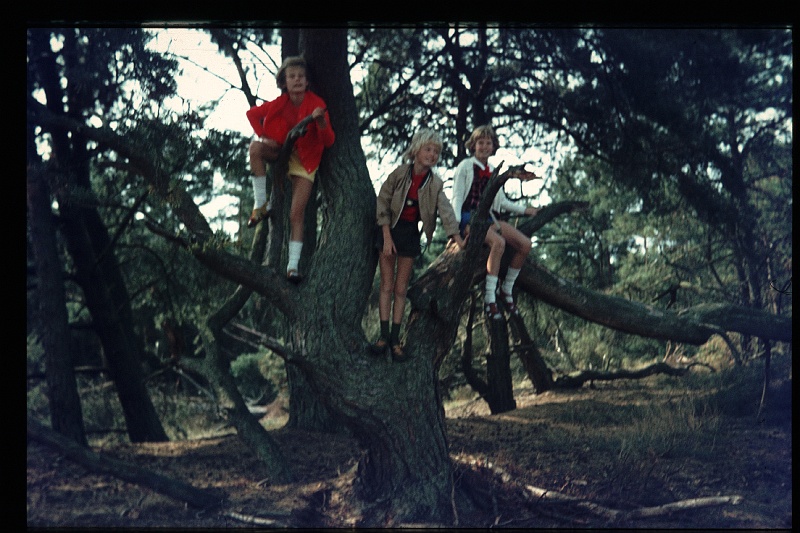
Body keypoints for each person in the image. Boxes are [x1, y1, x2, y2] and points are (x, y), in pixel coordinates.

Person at [372, 128, 466, 362]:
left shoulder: (435, 183)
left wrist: (455, 236)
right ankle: (383, 337)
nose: (432, 155)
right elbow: (382, 201)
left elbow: (445, 209)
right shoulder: (399, 173)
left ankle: (395, 339)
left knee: (401, 289)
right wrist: (385, 235)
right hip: (389, 229)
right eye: (428, 149)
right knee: (386, 285)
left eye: (436, 152)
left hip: (410, 234)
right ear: (415, 150)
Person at [245, 56, 335, 283]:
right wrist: (265, 136)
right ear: (284, 82)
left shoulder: (317, 103)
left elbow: (329, 141)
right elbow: (252, 114)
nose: (297, 80)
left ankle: (292, 267)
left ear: (307, 82)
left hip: (306, 160)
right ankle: (260, 205)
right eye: (292, 76)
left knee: (296, 212)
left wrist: (321, 123)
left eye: (301, 77)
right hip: (283, 152)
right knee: (255, 148)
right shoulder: (279, 103)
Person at [451, 124, 540, 320]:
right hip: (468, 217)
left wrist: (527, 210)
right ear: (473, 146)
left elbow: (503, 202)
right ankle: (489, 299)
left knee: (525, 244)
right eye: (480, 143)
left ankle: (505, 290)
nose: (484, 146)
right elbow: (457, 198)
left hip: (490, 218)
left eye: (488, 143)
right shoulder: (465, 166)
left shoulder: (493, 170)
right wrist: (455, 228)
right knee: (498, 243)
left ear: (493, 147)